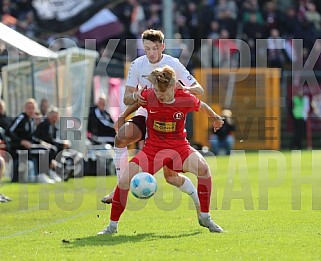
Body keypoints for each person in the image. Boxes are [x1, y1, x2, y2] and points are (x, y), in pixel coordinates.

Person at [98, 66, 224, 235]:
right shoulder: (150, 95)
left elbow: (202, 106)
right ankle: (111, 227)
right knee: (124, 181)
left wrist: (215, 118)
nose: (159, 95)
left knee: (203, 169)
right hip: (153, 149)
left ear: (173, 87)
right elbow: (135, 103)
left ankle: (205, 217)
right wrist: (122, 116)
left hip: (179, 147)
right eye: (156, 90)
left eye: (162, 92)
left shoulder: (185, 98)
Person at [101, 29, 204, 211]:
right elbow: (126, 98)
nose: (151, 53)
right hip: (146, 113)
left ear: (162, 47)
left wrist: (180, 89)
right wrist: (137, 95)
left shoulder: (172, 64)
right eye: (147, 48)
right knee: (121, 138)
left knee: (171, 176)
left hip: (169, 118)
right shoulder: (137, 64)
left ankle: (196, 197)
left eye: (155, 48)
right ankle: (119, 187)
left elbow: (199, 89)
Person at [7, 98, 54, 183]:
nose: (31, 110)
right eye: (29, 108)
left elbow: (30, 137)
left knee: (49, 148)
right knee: (44, 151)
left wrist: (41, 143)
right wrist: (21, 141)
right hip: (19, 148)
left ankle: (48, 173)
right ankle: (41, 175)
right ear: (25, 108)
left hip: (28, 147)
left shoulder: (31, 120)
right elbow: (9, 131)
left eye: (32, 108)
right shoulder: (21, 117)